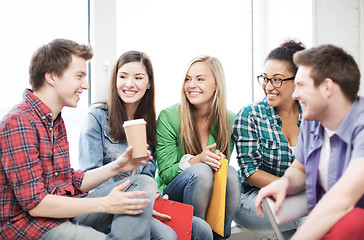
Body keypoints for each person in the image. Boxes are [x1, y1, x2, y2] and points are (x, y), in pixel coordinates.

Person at [0, 39, 158, 240]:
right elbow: (36, 204)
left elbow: (70, 180)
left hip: (62, 214)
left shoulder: (54, 120)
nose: (86, 84)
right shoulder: (19, 122)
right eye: (79, 76)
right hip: (33, 227)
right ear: (52, 77)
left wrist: (118, 166)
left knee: (142, 183)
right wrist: (106, 203)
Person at [78, 50, 210, 240]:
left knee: (201, 229)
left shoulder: (149, 123)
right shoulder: (96, 116)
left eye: (138, 77)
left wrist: (153, 197)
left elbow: (148, 175)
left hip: (142, 201)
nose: (129, 84)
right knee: (167, 236)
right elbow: (92, 177)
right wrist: (139, 203)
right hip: (109, 205)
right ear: (115, 80)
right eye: (123, 76)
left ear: (148, 83)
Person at [255, 44, 364, 239]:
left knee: (353, 221)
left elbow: (343, 200)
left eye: (301, 86)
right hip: (334, 221)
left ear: (327, 87)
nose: (295, 95)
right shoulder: (312, 121)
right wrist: (285, 183)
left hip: (351, 223)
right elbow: (300, 169)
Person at [155, 55, 241, 239]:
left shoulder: (230, 120)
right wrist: (196, 160)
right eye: (188, 79)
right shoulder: (168, 117)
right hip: (171, 196)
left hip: (208, 197)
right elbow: (165, 174)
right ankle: (195, 235)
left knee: (231, 174)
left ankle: (220, 237)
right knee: (201, 171)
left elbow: (222, 179)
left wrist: (219, 160)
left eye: (200, 79)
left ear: (217, 84)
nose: (191, 85)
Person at [233, 40, 305, 236]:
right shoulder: (250, 115)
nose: (268, 86)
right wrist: (292, 186)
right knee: (311, 210)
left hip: (299, 197)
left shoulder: (310, 114)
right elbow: (250, 172)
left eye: (277, 79)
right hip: (254, 200)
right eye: (265, 78)